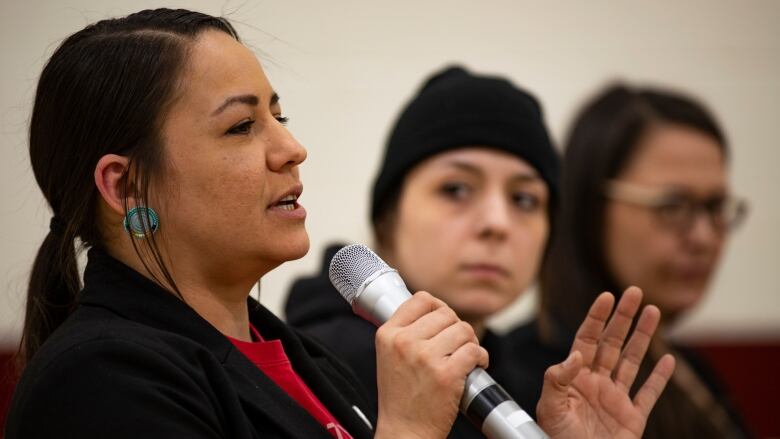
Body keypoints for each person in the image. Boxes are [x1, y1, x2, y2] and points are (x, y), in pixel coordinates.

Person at [6, 9, 673, 438]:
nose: (291, 149)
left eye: (279, 116)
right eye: (241, 125)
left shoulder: (306, 361)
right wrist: (408, 430)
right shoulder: (99, 380)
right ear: (124, 185)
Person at [285, 66, 672, 437]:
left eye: (524, 199)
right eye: (456, 189)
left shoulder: (537, 389)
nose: (496, 224)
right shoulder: (312, 368)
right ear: (388, 217)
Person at [509, 83, 751, 438]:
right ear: (591, 208)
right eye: (673, 206)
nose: (703, 237)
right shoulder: (535, 376)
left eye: (715, 207)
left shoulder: (686, 363)